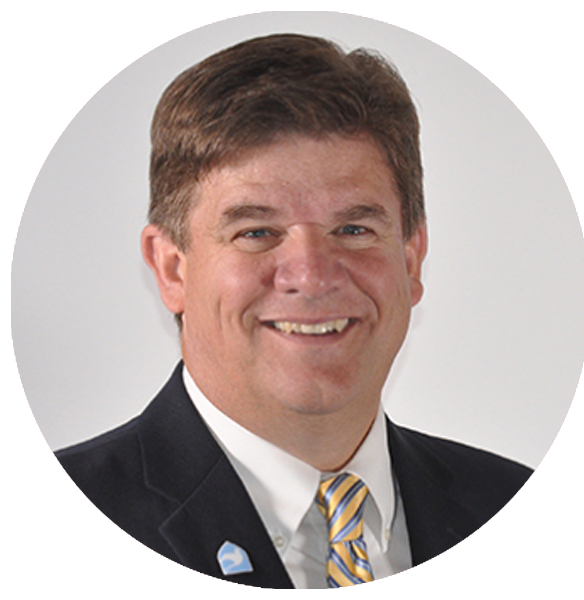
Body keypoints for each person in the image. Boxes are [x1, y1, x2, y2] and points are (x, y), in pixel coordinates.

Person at [55, 33, 533, 589]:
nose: (311, 275)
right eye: (256, 232)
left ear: (410, 260)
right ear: (172, 270)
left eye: (353, 229)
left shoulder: (502, 497)